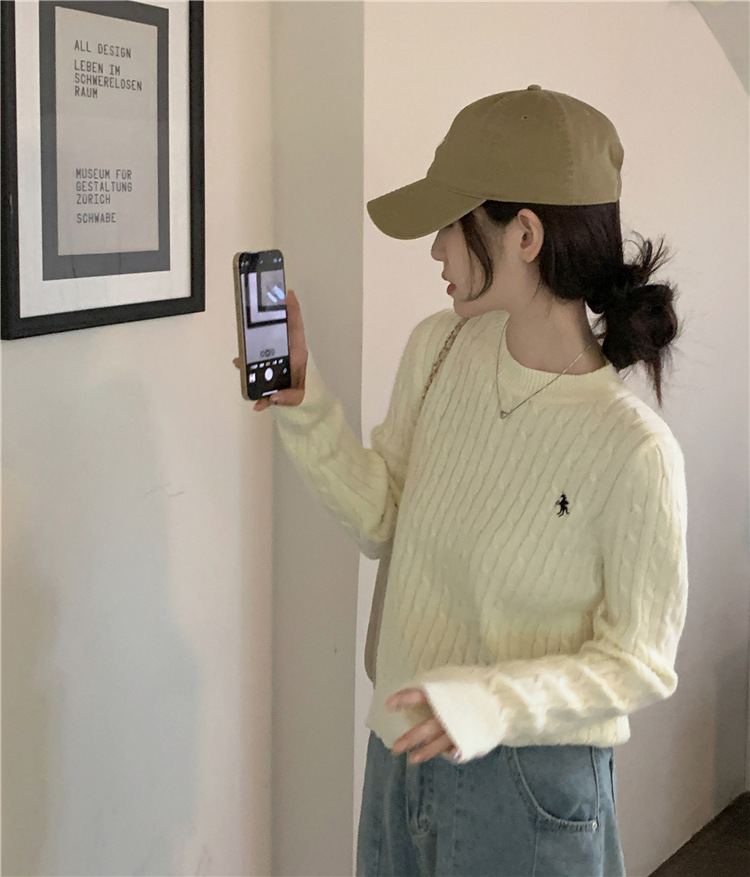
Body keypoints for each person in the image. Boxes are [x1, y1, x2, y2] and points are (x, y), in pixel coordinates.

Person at [252, 86, 689, 876]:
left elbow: (638, 660)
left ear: (524, 234)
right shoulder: (441, 350)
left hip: (529, 785)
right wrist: (302, 402)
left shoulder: (633, 451)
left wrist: (489, 702)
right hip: (401, 752)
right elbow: (382, 517)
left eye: (451, 225)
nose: (435, 251)